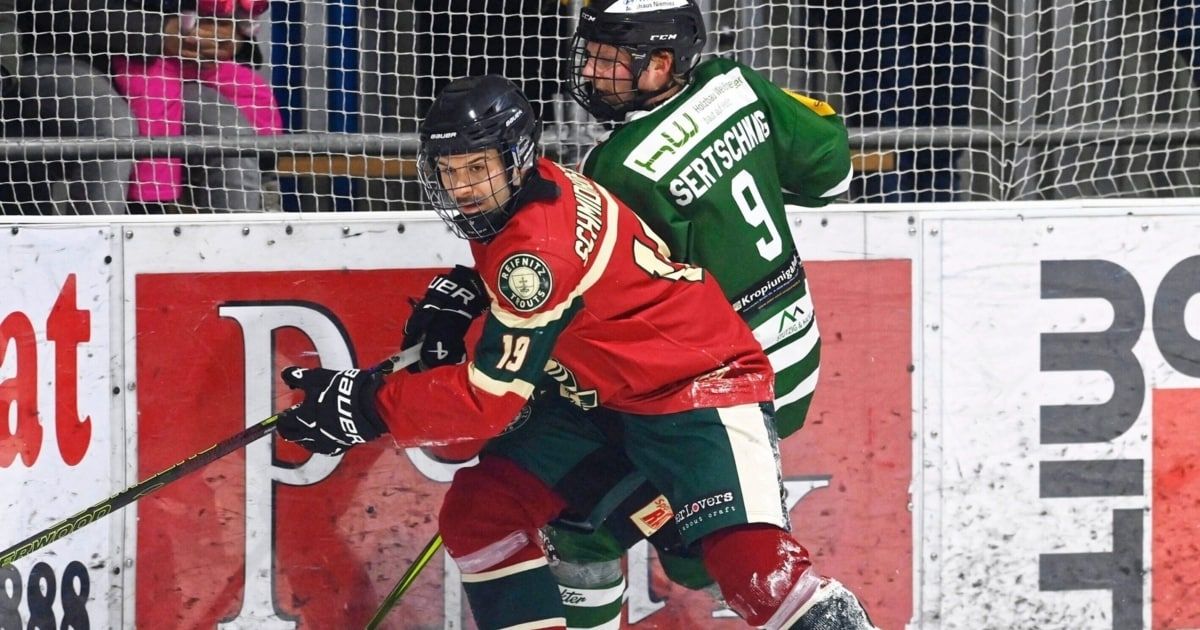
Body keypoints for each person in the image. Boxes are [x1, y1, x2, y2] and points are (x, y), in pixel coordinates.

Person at [276, 74, 872, 629]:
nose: (463, 188)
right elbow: (564, 291)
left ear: (515, 158)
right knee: (482, 513)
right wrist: (471, 293)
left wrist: (367, 405)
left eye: (477, 168)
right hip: (607, 401)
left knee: (755, 570)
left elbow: (489, 401)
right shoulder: (537, 193)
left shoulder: (533, 254)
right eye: (449, 171)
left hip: (697, 387)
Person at [527, 0, 861, 625]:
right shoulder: (733, 85)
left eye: (608, 59)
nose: (591, 72)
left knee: (577, 517)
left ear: (660, 63)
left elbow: (623, 312)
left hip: (721, 390)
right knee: (665, 532)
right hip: (796, 354)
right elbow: (830, 172)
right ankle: (701, 547)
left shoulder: (617, 168)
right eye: (590, 55)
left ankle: (708, 551)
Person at [3, 0, 271, 214]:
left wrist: (228, 35)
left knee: (229, 130)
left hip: (169, 67)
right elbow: (50, 8)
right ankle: (98, 256)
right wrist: (157, 33)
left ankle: (233, 258)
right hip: (65, 58)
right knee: (113, 126)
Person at [110, 0, 281, 212]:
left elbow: (247, 29)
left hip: (210, 61)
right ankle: (151, 202)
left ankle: (264, 178)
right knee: (155, 106)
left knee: (254, 93)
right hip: (150, 57)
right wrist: (160, 31)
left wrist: (233, 34)